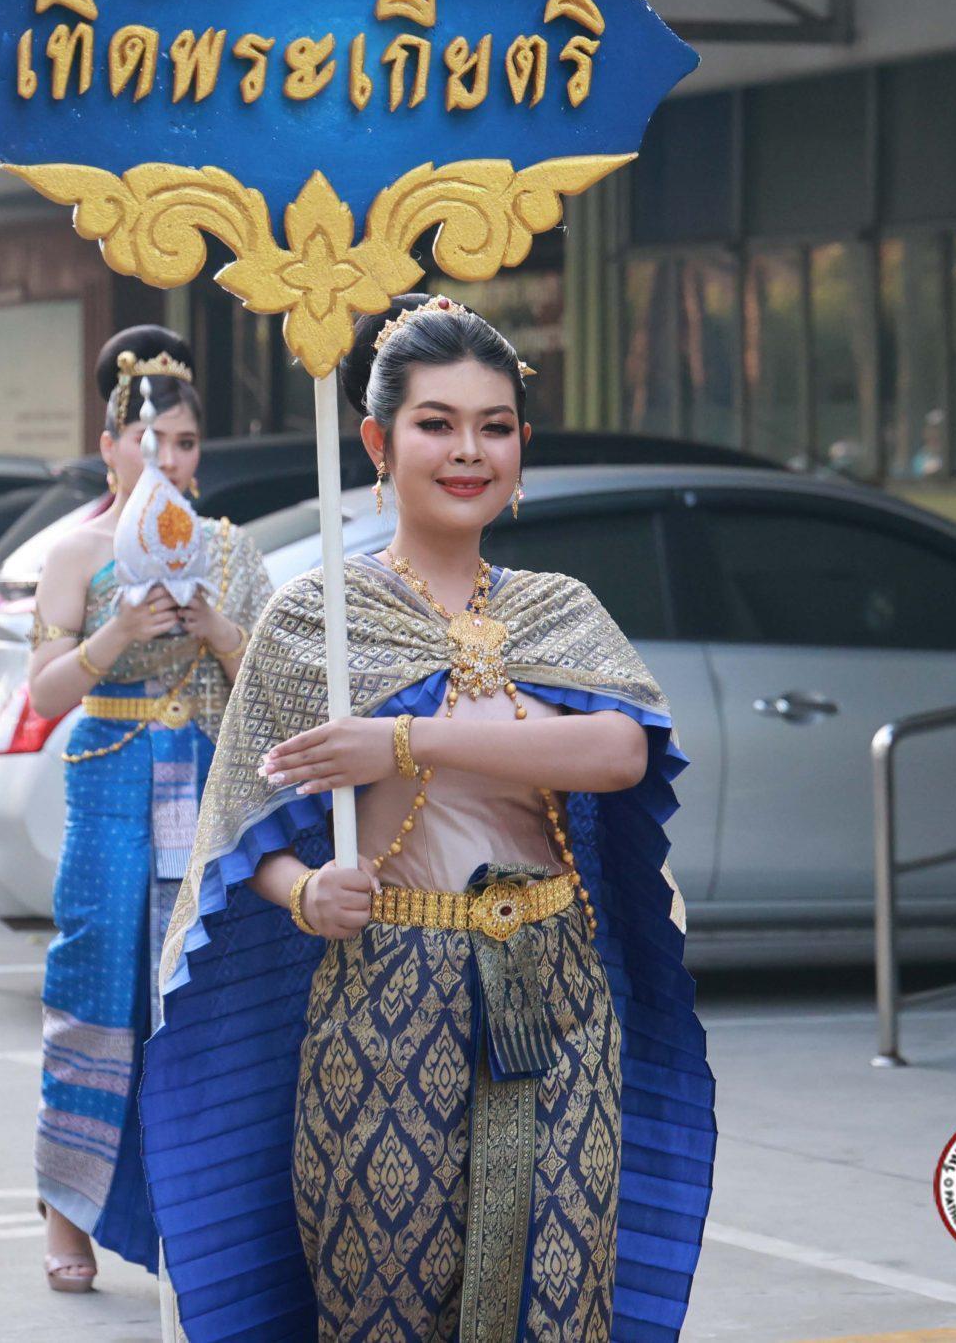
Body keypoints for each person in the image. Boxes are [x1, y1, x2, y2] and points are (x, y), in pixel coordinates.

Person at [142, 296, 718, 1342]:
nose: (468, 452)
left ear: (520, 446)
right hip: (386, 995)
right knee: (388, 1298)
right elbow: (238, 824)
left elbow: (621, 751)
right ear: (377, 441)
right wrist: (307, 892)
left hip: (557, 989)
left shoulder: (559, 609)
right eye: (436, 423)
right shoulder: (317, 618)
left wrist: (405, 742)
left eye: (494, 427)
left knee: (559, 1293)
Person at [23, 325, 271, 1293]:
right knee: (95, 981)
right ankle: (67, 1209)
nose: (165, 458)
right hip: (112, 776)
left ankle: (199, 1220)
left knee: (200, 988)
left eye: (184, 442)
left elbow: (274, 692)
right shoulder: (77, 552)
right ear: (109, 446)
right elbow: (45, 692)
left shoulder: (231, 551)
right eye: (146, 439)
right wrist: (118, 631)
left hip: (205, 776)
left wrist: (217, 627)